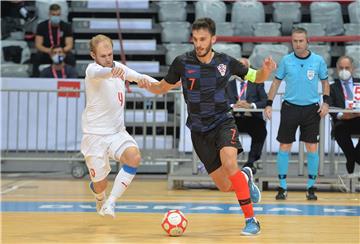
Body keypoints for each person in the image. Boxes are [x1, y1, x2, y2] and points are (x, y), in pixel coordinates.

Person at [145, 18, 277, 235]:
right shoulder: (181, 63)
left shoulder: (226, 62)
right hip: (198, 130)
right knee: (225, 186)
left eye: (203, 39)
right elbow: (161, 88)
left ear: (213, 39)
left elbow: (256, 77)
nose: (198, 44)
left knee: (229, 162)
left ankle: (251, 220)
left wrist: (266, 71)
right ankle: (245, 177)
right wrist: (141, 82)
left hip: (223, 122)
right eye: (195, 39)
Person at [80, 34, 159, 218]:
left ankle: (111, 203)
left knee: (133, 157)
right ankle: (99, 196)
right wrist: (110, 71)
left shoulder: (117, 67)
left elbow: (140, 77)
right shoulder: (91, 70)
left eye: (110, 54)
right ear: (93, 55)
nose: (108, 59)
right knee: (101, 185)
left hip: (117, 132)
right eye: (103, 56)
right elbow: (100, 73)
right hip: (94, 136)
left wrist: (165, 84)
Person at [264, 27, 330, 201]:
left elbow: (325, 82)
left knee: (312, 148)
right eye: (295, 41)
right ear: (291, 42)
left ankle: (311, 187)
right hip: (290, 108)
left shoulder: (318, 61)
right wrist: (269, 104)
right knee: (284, 146)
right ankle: (282, 187)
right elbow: (276, 83)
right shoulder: (286, 60)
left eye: (301, 40)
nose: (298, 44)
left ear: (308, 41)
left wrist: (326, 103)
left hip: (311, 109)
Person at [226, 58, 268, 175]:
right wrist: (234, 105)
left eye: (244, 67)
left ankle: (250, 163)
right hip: (233, 118)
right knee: (223, 132)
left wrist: (251, 105)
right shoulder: (227, 84)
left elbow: (265, 100)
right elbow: (221, 101)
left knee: (261, 131)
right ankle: (229, 162)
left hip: (252, 118)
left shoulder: (257, 83)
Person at [329, 56, 360, 175]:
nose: (344, 70)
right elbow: (330, 106)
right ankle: (351, 156)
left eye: (347, 68)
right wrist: (342, 115)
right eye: (341, 68)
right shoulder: (332, 88)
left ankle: (354, 156)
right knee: (339, 130)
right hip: (343, 121)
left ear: (352, 69)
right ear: (337, 69)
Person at [33, 3, 75, 77]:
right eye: (53, 14)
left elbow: (69, 44)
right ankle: (36, 78)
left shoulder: (66, 26)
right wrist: (50, 51)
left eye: (58, 14)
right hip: (47, 52)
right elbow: (38, 44)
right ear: (49, 14)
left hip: (61, 52)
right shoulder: (41, 26)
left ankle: (72, 77)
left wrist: (60, 52)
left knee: (70, 57)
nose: (56, 16)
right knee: (37, 57)